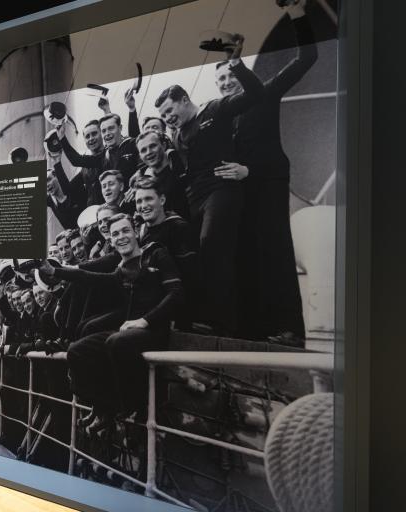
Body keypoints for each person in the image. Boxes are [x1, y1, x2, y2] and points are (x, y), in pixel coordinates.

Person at [215, 0, 316, 344]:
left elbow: (307, 59)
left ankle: (289, 329)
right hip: (242, 196)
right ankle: (255, 328)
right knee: (247, 258)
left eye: (230, 75)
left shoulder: (266, 92)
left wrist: (298, 14)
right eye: (221, 80)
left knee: (275, 252)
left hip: (269, 182)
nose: (226, 83)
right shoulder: (224, 116)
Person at [154, 34, 264, 334]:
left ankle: (226, 322)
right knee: (198, 256)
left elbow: (255, 94)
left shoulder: (215, 109)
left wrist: (236, 63)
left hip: (222, 190)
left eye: (169, 111)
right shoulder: (176, 136)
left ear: (184, 100)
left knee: (212, 245)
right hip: (196, 198)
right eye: (162, 116)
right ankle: (208, 316)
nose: (167, 118)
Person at [39, 213, 183, 433]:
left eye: (125, 231)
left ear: (136, 232)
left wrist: (145, 321)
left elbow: (175, 294)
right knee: (77, 351)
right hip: (128, 331)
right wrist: (55, 271)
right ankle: (105, 406)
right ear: (111, 240)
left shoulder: (156, 254)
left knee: (116, 342)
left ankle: (135, 406)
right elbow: (90, 276)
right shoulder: (121, 269)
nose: (121, 237)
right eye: (115, 234)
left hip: (154, 328)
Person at [135, 177, 199, 329]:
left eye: (148, 199)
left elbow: (189, 279)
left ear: (162, 200)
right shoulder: (142, 231)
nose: (143, 206)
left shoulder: (179, 228)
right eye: (139, 201)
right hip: (149, 303)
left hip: (173, 307)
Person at [128, 131, 189, 219]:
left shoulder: (179, 165)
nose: (149, 152)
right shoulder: (145, 180)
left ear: (164, 146)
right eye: (143, 150)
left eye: (153, 146)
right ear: (140, 156)